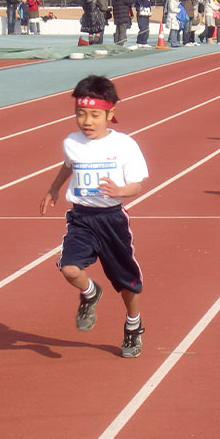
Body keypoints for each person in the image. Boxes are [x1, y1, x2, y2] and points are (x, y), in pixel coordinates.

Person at [38, 75, 149, 358]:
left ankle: (133, 325)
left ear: (110, 113)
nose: (87, 121)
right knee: (70, 269)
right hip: (81, 218)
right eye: (81, 114)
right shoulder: (72, 142)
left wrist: (120, 189)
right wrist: (53, 189)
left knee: (126, 282)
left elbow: (137, 185)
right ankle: (90, 292)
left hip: (112, 220)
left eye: (94, 115)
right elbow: (68, 166)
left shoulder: (124, 145)